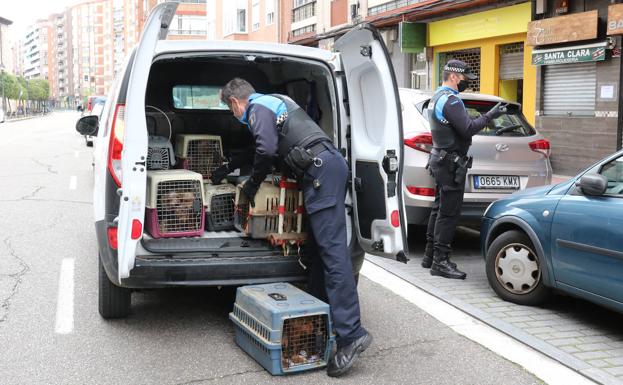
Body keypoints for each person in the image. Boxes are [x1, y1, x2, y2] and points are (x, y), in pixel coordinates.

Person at [211, 78, 372, 377]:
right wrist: (227, 167)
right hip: (324, 170)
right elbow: (261, 147)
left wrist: (251, 186)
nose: (233, 115)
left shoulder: (257, 108)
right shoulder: (273, 101)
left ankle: (352, 335)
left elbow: (267, 148)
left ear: (235, 102)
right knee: (316, 253)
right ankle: (321, 319)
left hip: (321, 174)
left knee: (333, 255)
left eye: (230, 109)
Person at [422, 60, 505, 280]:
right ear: (454, 77)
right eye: (465, 79)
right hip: (450, 163)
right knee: (449, 213)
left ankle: (429, 256)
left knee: (438, 208)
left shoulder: (435, 98)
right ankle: (440, 262)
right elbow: (467, 129)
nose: (467, 82)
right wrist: (490, 116)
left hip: (440, 159)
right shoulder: (450, 100)